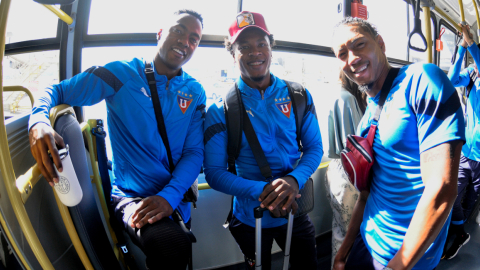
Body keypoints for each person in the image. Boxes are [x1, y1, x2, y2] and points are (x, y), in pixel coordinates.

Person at [28, 10, 205, 270]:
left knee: (180, 250)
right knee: (170, 244)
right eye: (178, 30)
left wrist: (169, 197)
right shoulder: (121, 74)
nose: (185, 41)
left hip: (176, 199)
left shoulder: (195, 91)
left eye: (194, 39)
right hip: (132, 196)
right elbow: (57, 91)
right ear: (160, 33)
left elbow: (193, 152)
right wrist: (38, 122)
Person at [331, 17, 465, 270]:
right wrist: (344, 251)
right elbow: (365, 196)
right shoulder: (367, 120)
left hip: (405, 257)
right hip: (366, 243)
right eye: (342, 54)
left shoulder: (422, 80)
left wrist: (398, 265)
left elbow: (442, 189)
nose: (352, 58)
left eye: (359, 44)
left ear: (380, 44)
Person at [203, 11, 323, 270]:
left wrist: (293, 180)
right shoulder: (221, 109)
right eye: (244, 46)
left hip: (294, 208)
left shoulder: (298, 95)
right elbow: (213, 173)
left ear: (271, 47)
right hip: (249, 215)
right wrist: (265, 193)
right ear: (233, 54)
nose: (254, 52)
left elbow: (314, 148)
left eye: (261, 44)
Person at [443, 23, 480, 260]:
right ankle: (457, 229)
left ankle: (461, 228)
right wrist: (462, 49)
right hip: (468, 150)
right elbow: (451, 79)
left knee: (472, 197)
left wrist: (473, 44)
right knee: (453, 192)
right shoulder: (473, 74)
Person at [325, 70, 365, 269]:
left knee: (340, 230)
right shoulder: (347, 98)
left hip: (336, 169)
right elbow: (358, 145)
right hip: (350, 172)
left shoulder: (336, 94)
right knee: (352, 233)